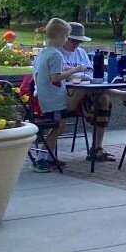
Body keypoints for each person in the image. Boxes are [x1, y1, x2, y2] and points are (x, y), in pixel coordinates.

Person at [61, 21, 126, 162]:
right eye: (73, 40)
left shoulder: (80, 53)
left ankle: (97, 148)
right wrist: (77, 74)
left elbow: (91, 75)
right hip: (63, 97)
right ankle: (124, 95)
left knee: (103, 98)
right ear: (64, 37)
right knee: (91, 90)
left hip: (84, 96)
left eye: (79, 41)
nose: (76, 44)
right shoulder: (55, 53)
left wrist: (80, 75)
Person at [32, 18, 88, 171]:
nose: (66, 40)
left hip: (44, 96)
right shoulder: (56, 55)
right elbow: (55, 77)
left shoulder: (43, 52)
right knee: (58, 127)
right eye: (66, 36)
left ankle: (48, 157)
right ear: (59, 36)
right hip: (54, 98)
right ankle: (41, 158)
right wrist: (75, 70)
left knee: (58, 126)